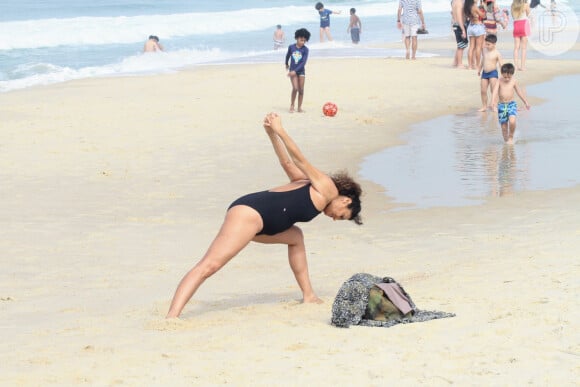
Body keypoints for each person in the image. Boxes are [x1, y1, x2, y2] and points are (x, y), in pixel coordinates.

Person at [166, 112, 363, 318]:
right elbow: (300, 160)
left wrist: (271, 135)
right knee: (210, 265)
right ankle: (172, 317)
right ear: (346, 200)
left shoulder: (308, 184)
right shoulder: (327, 188)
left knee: (295, 237)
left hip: (262, 222)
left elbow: (287, 164)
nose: (334, 218)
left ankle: (309, 295)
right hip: (251, 215)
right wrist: (280, 130)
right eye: (341, 216)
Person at [492, 63, 531, 144]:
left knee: (512, 121)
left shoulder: (513, 81)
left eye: (509, 77)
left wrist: (525, 102)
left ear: (512, 74)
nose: (506, 79)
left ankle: (511, 137)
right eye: (505, 77)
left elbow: (519, 92)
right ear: (502, 74)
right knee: (504, 127)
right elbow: (495, 91)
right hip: (502, 105)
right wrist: (493, 102)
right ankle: (506, 141)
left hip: (511, 104)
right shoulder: (499, 80)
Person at [285, 28, 310, 113]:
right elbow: (287, 56)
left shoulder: (305, 50)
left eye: (304, 41)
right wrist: (286, 64)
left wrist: (295, 71)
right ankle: (292, 105)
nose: (302, 42)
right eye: (301, 40)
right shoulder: (291, 47)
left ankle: (299, 108)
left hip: (301, 71)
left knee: (301, 90)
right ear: (296, 38)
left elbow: (303, 62)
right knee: (295, 88)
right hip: (292, 70)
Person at [478, 34, 503, 111]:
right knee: (483, 90)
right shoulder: (485, 50)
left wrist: (503, 74)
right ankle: (484, 106)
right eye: (486, 44)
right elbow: (483, 60)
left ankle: (494, 105)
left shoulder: (497, 53)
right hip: (484, 73)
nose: (486, 46)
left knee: (493, 90)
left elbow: (501, 64)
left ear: (494, 44)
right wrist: (479, 69)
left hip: (493, 73)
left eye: (488, 44)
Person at [464, 0, 486, 69]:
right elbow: (483, 16)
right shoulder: (474, 6)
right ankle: (477, 65)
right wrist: (483, 7)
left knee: (471, 47)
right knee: (478, 47)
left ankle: (470, 66)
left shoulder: (466, 7)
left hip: (470, 26)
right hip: (478, 26)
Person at [511, 0, 531, 70]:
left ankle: (516, 66)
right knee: (524, 48)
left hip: (516, 25)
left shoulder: (513, 5)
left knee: (516, 48)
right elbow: (529, 14)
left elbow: (513, 17)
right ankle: (522, 67)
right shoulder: (525, 4)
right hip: (524, 25)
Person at [451, 0, 469, 68]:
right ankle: (459, 64)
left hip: (456, 25)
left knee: (460, 44)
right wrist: (463, 29)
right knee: (461, 46)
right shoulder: (459, 2)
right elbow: (459, 17)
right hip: (459, 25)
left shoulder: (454, 1)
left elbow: (452, 13)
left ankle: (455, 62)